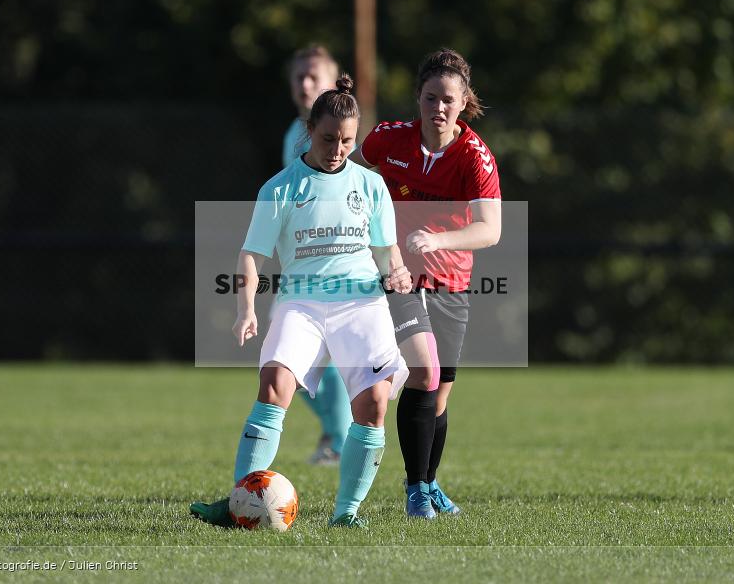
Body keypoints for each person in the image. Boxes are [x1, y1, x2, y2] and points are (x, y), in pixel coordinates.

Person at [191, 75, 412, 528]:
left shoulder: (371, 186)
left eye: (348, 141)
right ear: (309, 130)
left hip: (360, 303)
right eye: (329, 138)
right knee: (274, 386)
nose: (338, 149)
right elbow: (251, 256)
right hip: (302, 303)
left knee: (372, 405)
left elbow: (388, 251)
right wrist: (246, 309)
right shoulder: (281, 187)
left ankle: (346, 515)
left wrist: (398, 271)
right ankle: (240, 505)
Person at [350, 49, 502, 519]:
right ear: (418, 98)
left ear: (463, 102)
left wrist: (441, 239)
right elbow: (350, 173)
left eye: (448, 100)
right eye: (430, 98)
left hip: (451, 280)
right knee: (424, 372)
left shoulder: (475, 156)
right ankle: (416, 491)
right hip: (396, 275)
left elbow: (490, 230)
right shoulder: (388, 140)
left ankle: (430, 482)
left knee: (439, 393)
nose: (439, 108)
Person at [282, 45, 353, 466]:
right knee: (285, 360)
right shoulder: (295, 133)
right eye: (299, 78)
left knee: (321, 357)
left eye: (314, 77)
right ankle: (338, 434)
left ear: (333, 82)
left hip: (337, 266)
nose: (306, 84)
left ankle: (341, 441)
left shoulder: (346, 133)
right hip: (301, 265)